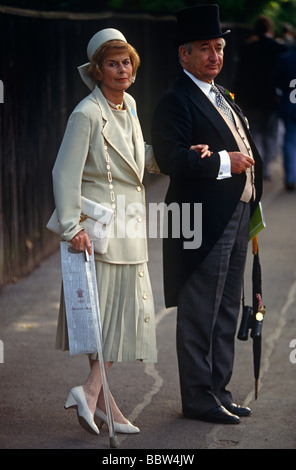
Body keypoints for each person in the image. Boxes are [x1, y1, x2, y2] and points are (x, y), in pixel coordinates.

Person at [151, 4, 263, 424]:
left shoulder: (220, 93)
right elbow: (170, 159)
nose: (215, 56)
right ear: (184, 55)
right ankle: (197, 397)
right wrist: (220, 161)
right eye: (204, 49)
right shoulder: (175, 101)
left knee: (227, 308)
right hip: (200, 221)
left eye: (218, 47)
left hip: (235, 212)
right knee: (201, 309)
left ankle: (218, 390)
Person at [52, 28, 161, 436]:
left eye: (127, 61)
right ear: (97, 70)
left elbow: (139, 156)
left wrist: (178, 153)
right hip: (98, 231)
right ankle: (94, 393)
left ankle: (97, 399)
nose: (122, 69)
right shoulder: (85, 114)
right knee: (111, 319)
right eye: (113, 63)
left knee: (115, 320)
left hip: (130, 227)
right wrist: (71, 226)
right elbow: (64, 172)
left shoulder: (129, 105)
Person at [234, 15, 286, 180]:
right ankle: (267, 166)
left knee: (254, 132)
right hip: (272, 99)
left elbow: (240, 74)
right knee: (271, 134)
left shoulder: (247, 48)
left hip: (251, 98)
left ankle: (258, 163)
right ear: (270, 29)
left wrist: (237, 97)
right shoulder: (278, 48)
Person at [274, 44, 296, 191]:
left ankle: (291, 178)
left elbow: (275, 82)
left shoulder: (286, 58)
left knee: (290, 140)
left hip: (290, 102)